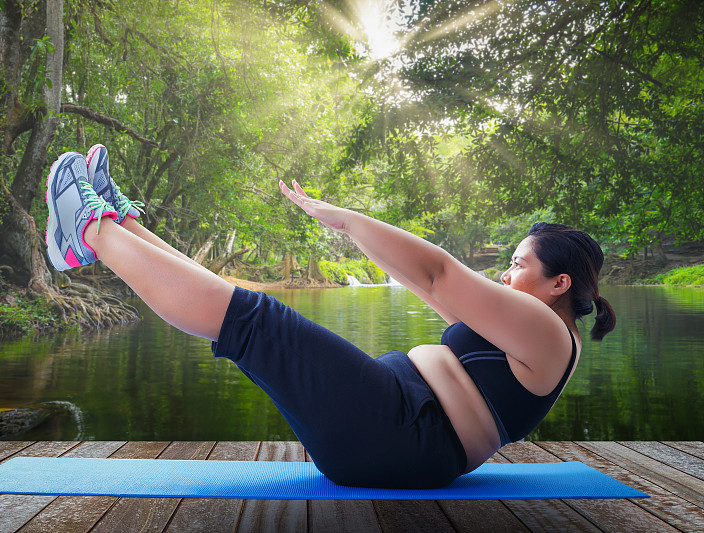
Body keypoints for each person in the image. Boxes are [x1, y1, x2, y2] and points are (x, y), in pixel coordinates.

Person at [44, 146, 616, 489]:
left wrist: (347, 219)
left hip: (401, 436)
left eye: (517, 265)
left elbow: (440, 271)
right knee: (250, 315)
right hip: (395, 424)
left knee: (256, 322)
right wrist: (350, 228)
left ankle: (87, 234)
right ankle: (117, 224)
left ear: (559, 283)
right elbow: (424, 282)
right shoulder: (531, 333)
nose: (504, 275)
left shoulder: (548, 334)